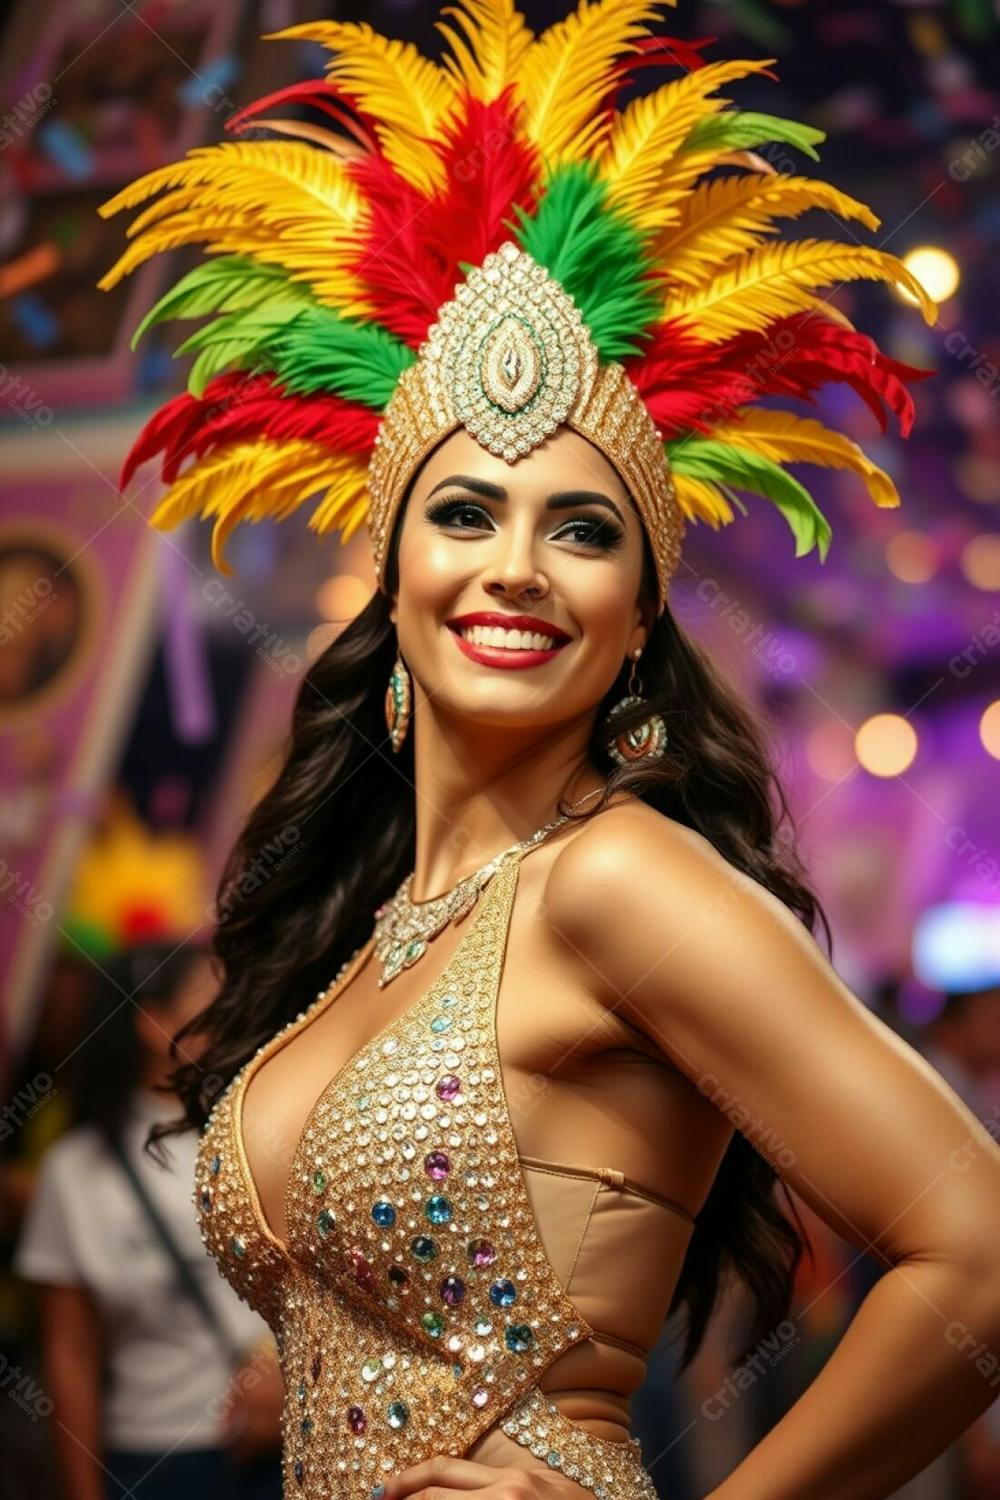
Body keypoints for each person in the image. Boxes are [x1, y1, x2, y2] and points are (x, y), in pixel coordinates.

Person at [97, 4, 1000, 1497]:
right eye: (464, 514)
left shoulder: (617, 881)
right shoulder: (365, 926)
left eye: (581, 530)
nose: (516, 565)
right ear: (390, 571)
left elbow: (973, 1253)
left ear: (637, 614)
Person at [14, 943, 283, 1500]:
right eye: (214, 997)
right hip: (153, 1463)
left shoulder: (258, 1134)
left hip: (279, 1451)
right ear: (155, 1024)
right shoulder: (77, 1172)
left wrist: (284, 1376)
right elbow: (71, 1356)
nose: (238, 1008)